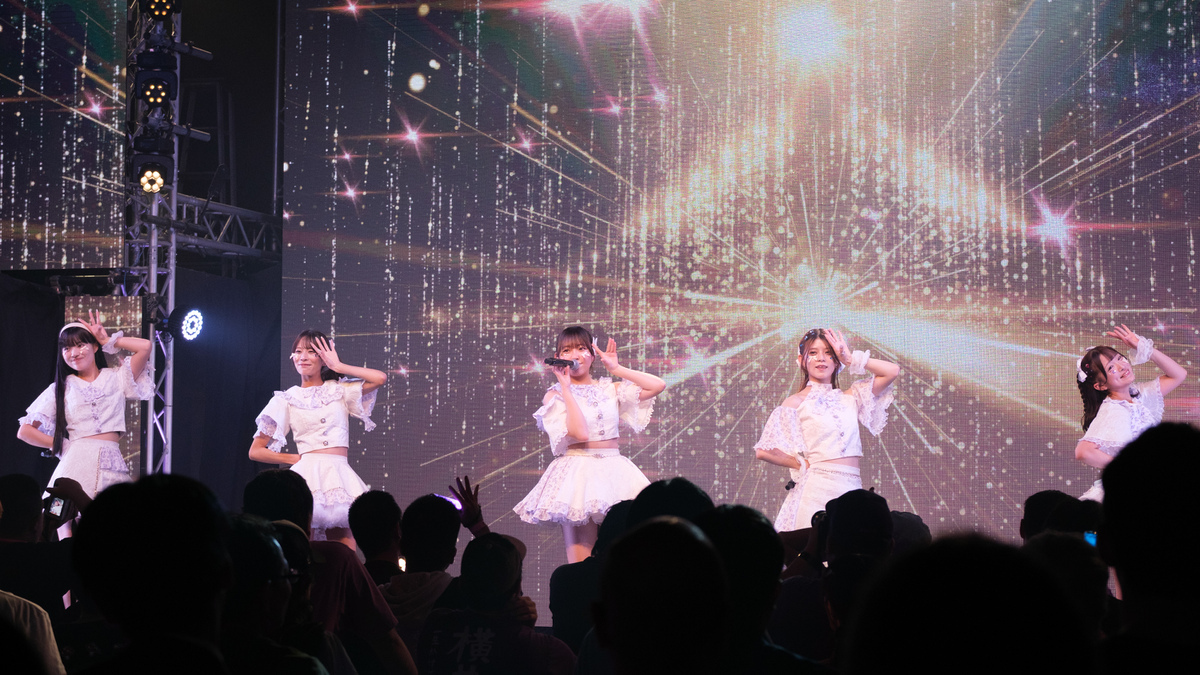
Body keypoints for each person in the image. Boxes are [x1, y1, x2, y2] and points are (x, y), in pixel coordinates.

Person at [513, 326, 665, 562]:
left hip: (615, 472)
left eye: (581, 348)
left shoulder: (611, 389)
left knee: (622, 556)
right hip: (578, 473)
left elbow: (657, 385)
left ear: (593, 355)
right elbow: (580, 433)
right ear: (558, 358)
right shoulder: (554, 395)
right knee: (582, 562)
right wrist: (566, 388)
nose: (575, 355)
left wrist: (617, 369)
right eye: (567, 350)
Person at [248, 330, 387, 544]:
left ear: (323, 358)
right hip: (305, 477)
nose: (303, 357)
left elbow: (380, 378)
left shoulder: (340, 390)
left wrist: (338, 366)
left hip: (339, 477)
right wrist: (295, 458)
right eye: (298, 351)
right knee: (305, 546)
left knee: (344, 551)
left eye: (311, 352)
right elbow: (256, 451)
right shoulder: (286, 399)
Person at [754, 328, 899, 531]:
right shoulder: (795, 402)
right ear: (802, 360)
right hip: (816, 489)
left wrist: (850, 359)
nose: (821, 358)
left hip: (852, 488)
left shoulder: (851, 397)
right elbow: (764, 451)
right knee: (818, 546)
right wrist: (801, 464)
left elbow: (892, 371)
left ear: (836, 361)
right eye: (813, 353)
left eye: (829, 353)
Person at [16, 313, 153, 500]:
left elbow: (145, 347)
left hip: (112, 463)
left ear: (95, 347)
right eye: (66, 348)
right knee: (65, 512)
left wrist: (106, 340)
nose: (73, 353)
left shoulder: (117, 378)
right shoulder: (62, 387)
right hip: (75, 462)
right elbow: (24, 431)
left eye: (80, 345)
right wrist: (62, 445)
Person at [1073, 324, 1186, 501]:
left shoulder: (1138, 395)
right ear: (1100, 386)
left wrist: (1143, 347)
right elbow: (1083, 451)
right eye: (1111, 368)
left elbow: (1178, 374)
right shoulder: (1113, 409)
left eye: (1120, 358)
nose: (1122, 366)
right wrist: (1127, 468)